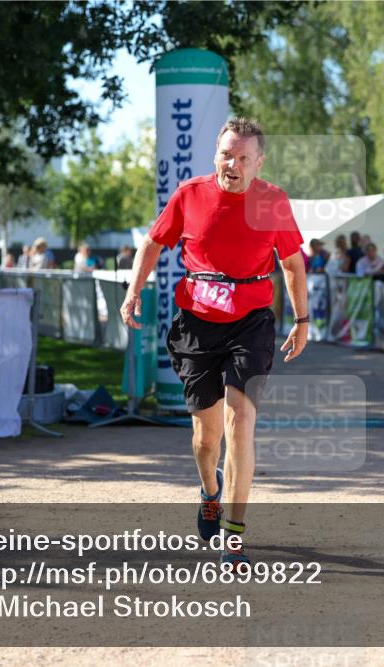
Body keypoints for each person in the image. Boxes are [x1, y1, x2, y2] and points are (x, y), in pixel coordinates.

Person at [120, 118, 308, 569]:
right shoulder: (189, 195)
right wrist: (133, 290)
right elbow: (151, 243)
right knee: (206, 440)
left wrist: (301, 319)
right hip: (197, 324)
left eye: (244, 158)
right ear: (215, 154)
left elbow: (293, 265)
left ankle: (234, 537)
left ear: (258, 163)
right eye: (227, 154)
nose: (234, 164)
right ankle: (209, 491)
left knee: (240, 420)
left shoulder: (273, 202)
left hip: (251, 321)